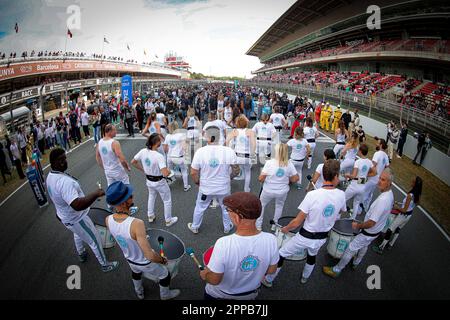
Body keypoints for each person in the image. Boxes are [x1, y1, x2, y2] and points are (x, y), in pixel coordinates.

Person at [262, 159, 346, 286]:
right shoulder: (341, 194)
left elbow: (297, 222)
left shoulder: (313, 195)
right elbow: (340, 211)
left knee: (281, 254)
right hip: (322, 238)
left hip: (305, 236)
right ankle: (304, 278)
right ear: (335, 176)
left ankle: (268, 280)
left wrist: (285, 229)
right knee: (312, 256)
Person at [46, 148, 119, 272]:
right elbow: (77, 205)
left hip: (67, 217)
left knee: (78, 233)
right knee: (94, 240)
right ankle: (105, 264)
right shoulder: (64, 182)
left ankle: (81, 252)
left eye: (64, 158)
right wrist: (96, 194)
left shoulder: (51, 176)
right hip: (77, 218)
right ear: (52, 162)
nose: (64, 162)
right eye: (60, 160)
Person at [105, 181, 180, 300]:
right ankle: (165, 295)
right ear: (124, 203)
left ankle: (139, 292)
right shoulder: (136, 223)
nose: (133, 196)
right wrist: (162, 260)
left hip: (130, 259)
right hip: (145, 263)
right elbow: (150, 256)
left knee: (135, 273)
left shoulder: (108, 219)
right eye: (130, 196)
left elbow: (122, 235)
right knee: (165, 275)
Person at [201, 192, 279, 300]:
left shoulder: (224, 243)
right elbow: (271, 271)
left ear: (237, 217)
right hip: (249, 295)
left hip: (220, 295)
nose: (227, 213)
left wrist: (204, 274)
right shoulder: (272, 239)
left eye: (228, 210)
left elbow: (214, 280)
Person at [323, 169, 394, 278]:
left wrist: (358, 225)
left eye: (383, 180)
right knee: (364, 246)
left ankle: (336, 270)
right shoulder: (389, 194)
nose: (379, 181)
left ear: (389, 183)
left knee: (351, 248)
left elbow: (371, 222)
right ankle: (356, 263)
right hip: (375, 232)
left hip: (369, 231)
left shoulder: (383, 200)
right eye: (379, 178)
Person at [187, 126, 240, 234]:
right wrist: (229, 178)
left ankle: (195, 226)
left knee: (200, 207)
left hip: (206, 188)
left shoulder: (200, 152)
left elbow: (193, 172)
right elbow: (236, 170)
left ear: (207, 137)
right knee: (226, 208)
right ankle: (227, 227)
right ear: (219, 136)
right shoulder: (228, 151)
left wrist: (197, 182)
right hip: (223, 187)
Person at [131, 133, 178, 227]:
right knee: (167, 200)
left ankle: (150, 215)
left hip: (149, 180)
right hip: (159, 181)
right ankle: (168, 220)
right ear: (156, 143)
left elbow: (133, 162)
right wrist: (169, 171)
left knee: (151, 196)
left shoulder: (143, 151)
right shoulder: (158, 156)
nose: (161, 142)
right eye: (160, 140)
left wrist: (143, 169)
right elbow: (165, 173)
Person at [373, 176, 422, 254]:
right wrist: (402, 204)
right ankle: (390, 244)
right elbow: (415, 204)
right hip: (409, 216)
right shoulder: (417, 195)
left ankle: (381, 248)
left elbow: (404, 210)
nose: (411, 181)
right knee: (398, 229)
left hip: (403, 215)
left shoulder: (410, 195)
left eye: (413, 181)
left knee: (390, 230)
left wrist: (397, 207)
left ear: (415, 184)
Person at [257, 143, 299, 231]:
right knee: (279, 206)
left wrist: (265, 177)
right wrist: (287, 179)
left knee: (262, 205)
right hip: (282, 191)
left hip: (268, 190)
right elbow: (296, 178)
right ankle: (275, 225)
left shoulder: (269, 163)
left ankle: (258, 225)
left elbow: (261, 178)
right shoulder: (289, 164)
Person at [226, 115, 256, 192]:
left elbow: (227, 141)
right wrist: (252, 155)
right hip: (246, 156)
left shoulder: (235, 131)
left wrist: (229, 150)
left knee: (229, 170)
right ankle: (246, 189)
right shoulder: (250, 131)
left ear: (237, 124)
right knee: (247, 172)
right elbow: (253, 144)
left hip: (237, 156)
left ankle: (226, 185)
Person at [96, 124, 131, 189]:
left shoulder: (100, 142)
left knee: (112, 190)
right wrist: (127, 167)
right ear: (110, 132)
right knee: (126, 188)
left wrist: (105, 168)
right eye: (114, 130)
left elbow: (97, 157)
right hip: (117, 170)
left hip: (108, 172)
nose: (116, 132)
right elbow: (121, 158)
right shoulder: (114, 143)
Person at [344, 144, 373, 219]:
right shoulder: (369, 162)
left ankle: (337, 216)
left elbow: (353, 176)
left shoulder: (358, 162)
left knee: (343, 199)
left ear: (360, 151)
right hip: (362, 185)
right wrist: (365, 176)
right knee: (356, 203)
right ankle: (352, 218)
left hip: (354, 185)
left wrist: (347, 175)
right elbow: (375, 172)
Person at [362, 138, 389, 212]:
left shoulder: (377, 154)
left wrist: (366, 174)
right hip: (378, 179)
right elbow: (387, 168)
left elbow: (373, 166)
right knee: (370, 193)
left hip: (372, 177)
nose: (376, 144)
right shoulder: (386, 156)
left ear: (380, 145)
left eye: (378, 143)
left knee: (364, 191)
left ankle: (359, 209)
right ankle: (366, 207)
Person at [163, 121, 191, 192]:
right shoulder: (181, 135)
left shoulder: (168, 136)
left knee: (169, 170)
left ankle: (168, 185)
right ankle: (186, 186)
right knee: (184, 170)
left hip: (170, 156)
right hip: (179, 156)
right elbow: (185, 147)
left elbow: (165, 148)